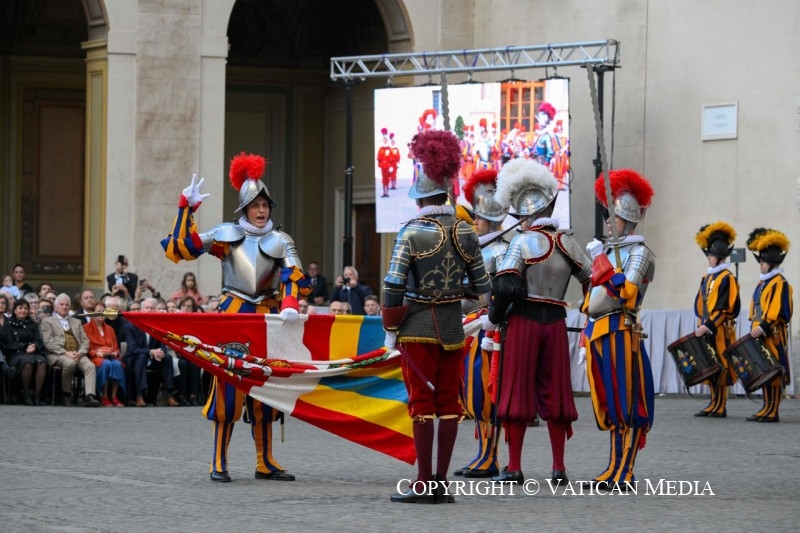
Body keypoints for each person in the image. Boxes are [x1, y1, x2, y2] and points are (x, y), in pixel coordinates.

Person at [161, 151, 310, 483]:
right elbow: (182, 247)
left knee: (267, 388)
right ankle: (219, 461)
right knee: (228, 390)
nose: (261, 210)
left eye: (264, 205)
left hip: (269, 318)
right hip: (233, 316)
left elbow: (294, 275)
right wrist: (186, 208)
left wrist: (289, 303)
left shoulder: (281, 240)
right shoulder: (227, 235)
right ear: (245, 209)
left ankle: (264, 461)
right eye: (255, 205)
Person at [384, 129, 491, 504]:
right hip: (451, 328)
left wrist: (390, 328)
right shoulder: (466, 231)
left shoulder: (411, 232)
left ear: (419, 196)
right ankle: (441, 482)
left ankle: (422, 482)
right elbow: (481, 286)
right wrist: (455, 290)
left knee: (421, 404)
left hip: (416, 326)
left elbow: (393, 285)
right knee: (448, 404)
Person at [485, 159, 591, 486]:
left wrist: (494, 319)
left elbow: (506, 286)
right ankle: (558, 467)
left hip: (524, 320)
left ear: (525, 215)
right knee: (556, 392)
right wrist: (587, 309)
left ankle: (515, 466)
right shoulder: (568, 242)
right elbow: (592, 279)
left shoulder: (522, 242)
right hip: (556, 321)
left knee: (516, 390)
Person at [582, 169, 655, 490]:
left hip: (622, 331)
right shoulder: (608, 251)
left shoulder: (640, 253)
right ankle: (613, 466)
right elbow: (592, 298)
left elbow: (625, 291)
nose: (608, 223)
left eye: (614, 218)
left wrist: (601, 262)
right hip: (599, 331)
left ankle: (626, 470)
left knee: (628, 402)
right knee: (610, 404)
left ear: (628, 218)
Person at [453, 168, 510, 479]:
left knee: (487, 393)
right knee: (473, 393)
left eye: (480, 218)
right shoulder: (476, 248)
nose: (474, 221)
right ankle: (482, 453)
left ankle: (491, 456)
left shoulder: (500, 250)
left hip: (489, 328)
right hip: (470, 326)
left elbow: (501, 292)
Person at [744, 227, 793, 423]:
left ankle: (773, 410)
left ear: (771, 263)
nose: (760, 264)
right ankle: (766, 407)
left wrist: (763, 326)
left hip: (773, 333)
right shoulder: (763, 283)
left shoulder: (780, 283)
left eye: (763, 262)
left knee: (774, 371)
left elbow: (779, 311)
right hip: (759, 332)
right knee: (764, 370)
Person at [692, 222, 741, 418]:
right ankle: (713, 402)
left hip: (719, 329)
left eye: (711, 255)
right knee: (710, 364)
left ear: (720, 257)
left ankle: (721, 405)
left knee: (721, 364)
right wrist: (703, 323)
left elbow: (724, 308)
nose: (709, 258)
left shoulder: (727, 278)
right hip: (707, 326)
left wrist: (708, 325)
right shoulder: (708, 277)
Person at [40, 293, 100, 407]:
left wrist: (80, 352)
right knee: (69, 363)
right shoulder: (48, 322)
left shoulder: (76, 322)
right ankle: (66, 394)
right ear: (55, 307)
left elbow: (85, 340)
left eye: (67, 305)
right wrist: (66, 353)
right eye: (61, 304)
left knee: (90, 366)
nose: (64, 307)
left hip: (77, 353)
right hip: (57, 354)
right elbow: (48, 343)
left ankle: (89, 396)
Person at [124, 297, 179, 407]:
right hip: (136, 358)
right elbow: (133, 349)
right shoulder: (131, 326)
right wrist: (150, 351)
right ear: (142, 310)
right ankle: (139, 395)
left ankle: (169, 395)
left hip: (153, 358)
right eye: (147, 308)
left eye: (152, 308)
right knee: (141, 357)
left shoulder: (158, 325)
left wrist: (161, 352)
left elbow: (163, 345)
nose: (149, 310)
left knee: (167, 358)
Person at [1, 299, 47, 405]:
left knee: (42, 363)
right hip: (16, 353)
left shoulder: (33, 324)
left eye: (26, 308)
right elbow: (8, 343)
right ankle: (26, 395)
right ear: (15, 310)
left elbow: (38, 339)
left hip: (33, 352)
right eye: (20, 308)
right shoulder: (8, 324)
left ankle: (37, 396)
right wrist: (25, 347)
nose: (23, 310)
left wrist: (34, 346)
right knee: (27, 363)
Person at [84, 300, 126, 407]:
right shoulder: (86, 328)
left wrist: (115, 353)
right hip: (96, 357)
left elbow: (116, 347)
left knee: (117, 364)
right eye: (98, 311)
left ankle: (114, 396)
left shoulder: (110, 329)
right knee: (106, 364)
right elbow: (86, 348)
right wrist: (96, 353)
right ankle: (104, 396)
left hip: (110, 356)